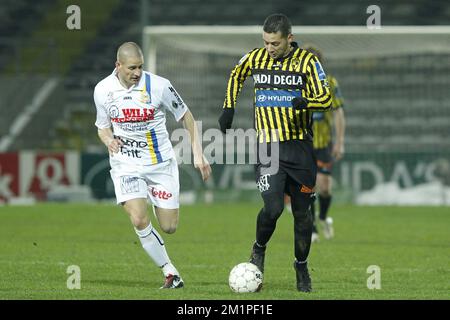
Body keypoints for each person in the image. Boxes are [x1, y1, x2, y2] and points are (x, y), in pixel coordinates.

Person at [219, 14, 331, 292]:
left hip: (300, 149)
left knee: (303, 215)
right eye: (266, 42)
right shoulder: (255, 57)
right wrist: (228, 107)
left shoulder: (308, 62)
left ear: (289, 39)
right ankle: (258, 249)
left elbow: (326, 99)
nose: (269, 48)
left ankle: (301, 266)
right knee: (273, 208)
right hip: (268, 146)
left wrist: (307, 102)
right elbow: (237, 74)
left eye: (275, 43)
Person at [94, 42, 211, 289]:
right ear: (118, 66)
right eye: (132, 68)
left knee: (169, 226)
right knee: (138, 219)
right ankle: (170, 273)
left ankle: (154, 198)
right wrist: (108, 140)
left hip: (160, 165)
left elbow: (187, 116)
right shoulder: (103, 90)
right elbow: (102, 126)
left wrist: (198, 153)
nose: (137, 72)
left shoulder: (159, 86)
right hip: (125, 164)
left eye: (140, 67)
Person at [285, 44, 346, 243]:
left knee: (325, 186)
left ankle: (322, 217)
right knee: (307, 187)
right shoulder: (294, 84)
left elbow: (338, 113)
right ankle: (311, 229)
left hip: (323, 143)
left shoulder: (329, 82)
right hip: (303, 143)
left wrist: (340, 142)